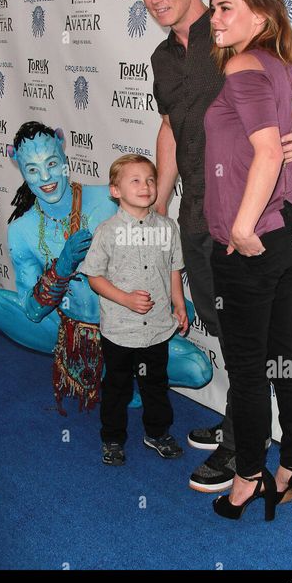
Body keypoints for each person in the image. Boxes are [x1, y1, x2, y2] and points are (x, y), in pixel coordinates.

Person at [132, 0, 292, 493]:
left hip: (247, 219)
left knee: (252, 345)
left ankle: (245, 453)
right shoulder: (163, 58)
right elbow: (170, 128)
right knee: (230, 330)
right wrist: (158, 203)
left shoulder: (231, 45)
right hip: (198, 214)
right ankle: (250, 429)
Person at [0, 123, 211, 457]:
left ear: (63, 153)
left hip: (122, 324)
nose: (45, 177)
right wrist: (60, 269)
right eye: (32, 168)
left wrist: (174, 300)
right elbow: (32, 310)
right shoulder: (22, 228)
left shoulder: (108, 195)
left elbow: (159, 236)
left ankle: (121, 377)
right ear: (17, 165)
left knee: (198, 370)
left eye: (51, 163)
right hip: (61, 329)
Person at [204, 0, 292, 520]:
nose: (215, 17)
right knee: (283, 359)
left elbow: (268, 153)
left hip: (258, 242)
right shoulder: (283, 68)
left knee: (248, 370)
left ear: (261, 16)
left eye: (227, 8)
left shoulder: (246, 66)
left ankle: (249, 475)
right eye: (214, 6)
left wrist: (242, 230)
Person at [80, 154, 188, 466]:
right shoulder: (107, 232)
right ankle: (112, 439)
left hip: (157, 327)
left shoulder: (168, 228)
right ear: (115, 190)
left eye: (151, 180)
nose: (146, 186)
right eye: (136, 180)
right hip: (119, 329)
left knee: (156, 383)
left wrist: (178, 304)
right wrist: (125, 299)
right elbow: (94, 276)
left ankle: (157, 432)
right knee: (116, 386)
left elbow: (173, 269)